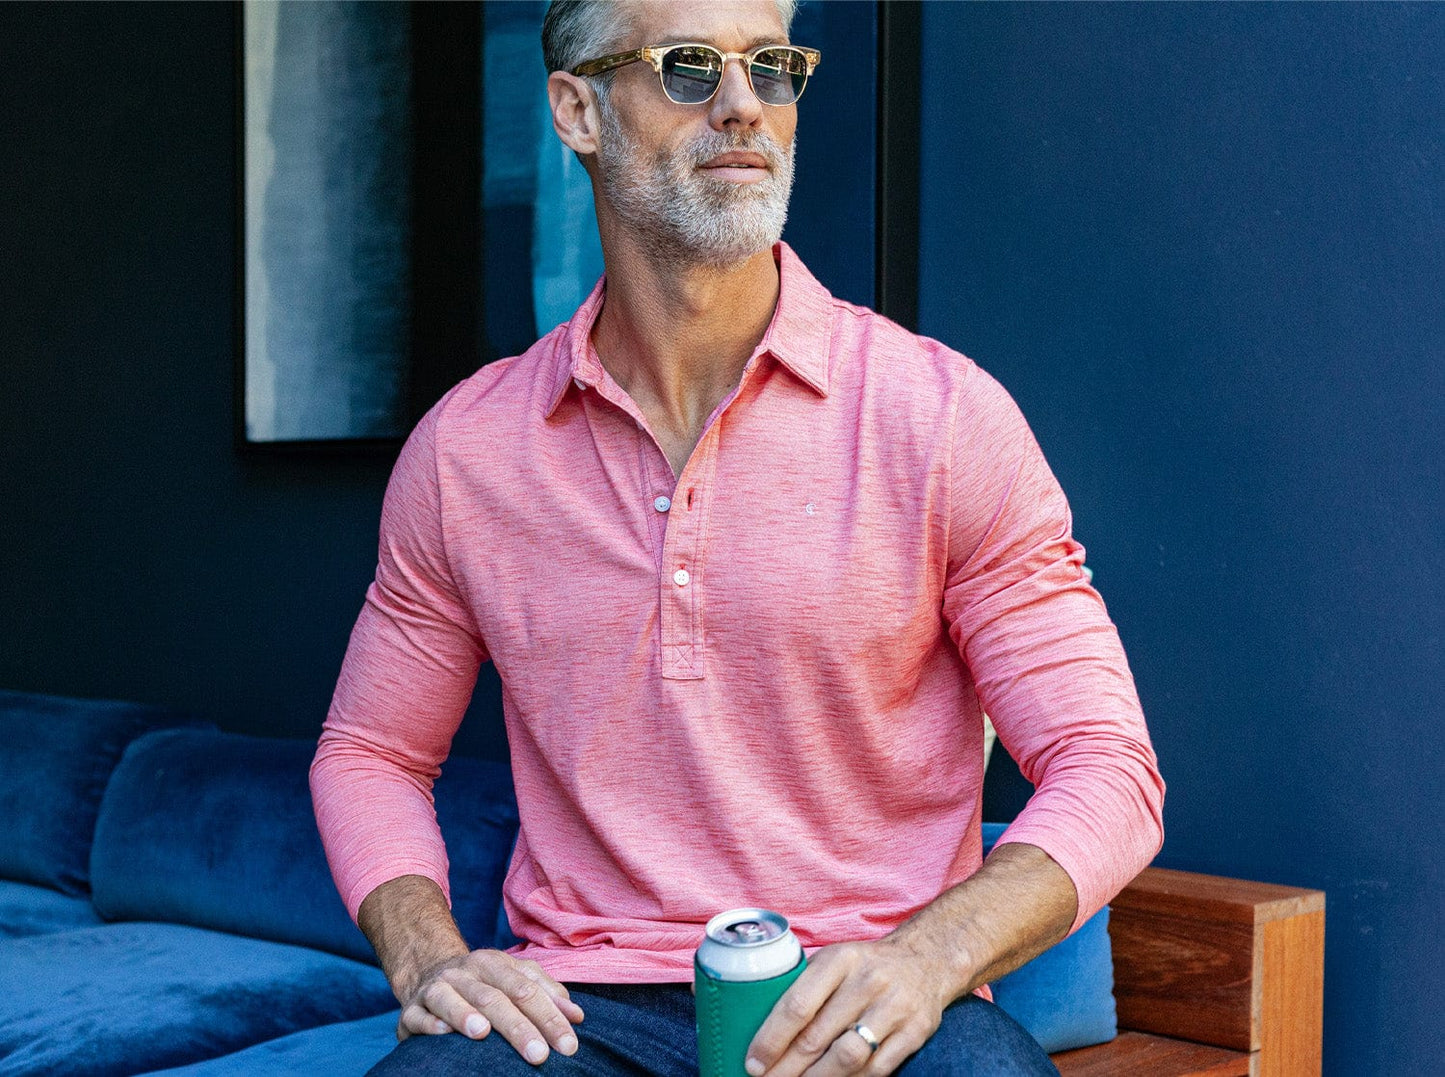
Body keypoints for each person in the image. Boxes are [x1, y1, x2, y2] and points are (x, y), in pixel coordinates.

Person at [310, 1, 1165, 1073]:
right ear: (577, 111)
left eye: (770, 66)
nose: (742, 105)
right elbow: (371, 752)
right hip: (580, 1009)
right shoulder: (466, 451)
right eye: (686, 66)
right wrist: (429, 959)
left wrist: (927, 956)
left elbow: (1106, 766)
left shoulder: (940, 418)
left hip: (870, 995)